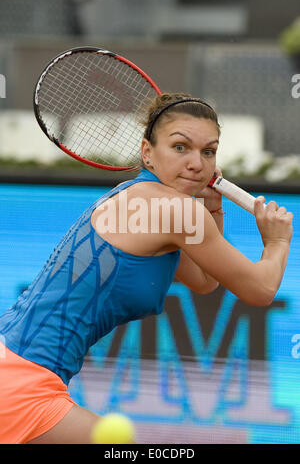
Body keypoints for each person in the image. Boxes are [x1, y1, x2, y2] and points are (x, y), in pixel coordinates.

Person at [0, 93, 293, 444]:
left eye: (208, 151)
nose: (196, 163)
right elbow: (259, 289)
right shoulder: (176, 211)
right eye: (180, 147)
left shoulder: (141, 197)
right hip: (23, 382)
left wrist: (214, 211)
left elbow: (204, 282)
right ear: (147, 152)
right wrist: (277, 242)